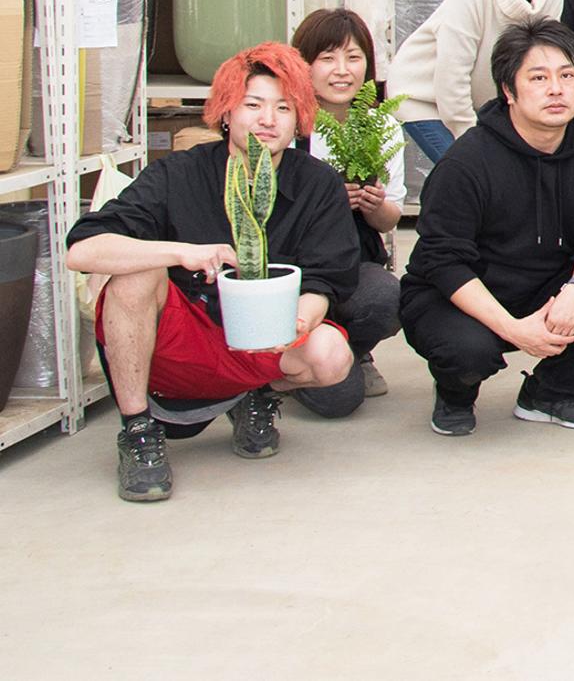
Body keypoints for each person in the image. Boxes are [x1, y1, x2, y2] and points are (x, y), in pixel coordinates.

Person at [68, 43, 358, 502]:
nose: (268, 120)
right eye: (253, 105)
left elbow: (327, 277)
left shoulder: (316, 183)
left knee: (331, 355)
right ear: (226, 111)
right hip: (185, 339)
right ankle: (138, 430)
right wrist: (179, 253)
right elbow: (83, 249)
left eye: (283, 107)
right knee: (137, 272)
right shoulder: (179, 174)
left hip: (265, 339)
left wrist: (300, 319)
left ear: (299, 117)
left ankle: (254, 393)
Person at [400, 19, 574, 435]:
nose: (556, 89)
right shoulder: (467, 161)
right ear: (508, 90)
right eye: (538, 78)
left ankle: (550, 393)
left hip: (545, 287)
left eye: (567, 76)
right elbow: (444, 262)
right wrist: (513, 330)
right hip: (462, 294)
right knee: (468, 351)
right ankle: (455, 394)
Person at [289, 8, 404, 416]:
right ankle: (294, 358)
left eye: (353, 58)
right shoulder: (289, 126)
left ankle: (353, 349)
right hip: (296, 270)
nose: (342, 71)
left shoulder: (380, 127)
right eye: (327, 58)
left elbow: (391, 219)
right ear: (304, 65)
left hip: (353, 261)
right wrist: (325, 199)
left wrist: (375, 205)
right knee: (339, 400)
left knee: (388, 297)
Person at [393, 0, 565, 162]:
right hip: (425, 98)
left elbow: (539, 66)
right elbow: (452, 74)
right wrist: (473, 141)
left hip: (483, 105)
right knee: (464, 172)